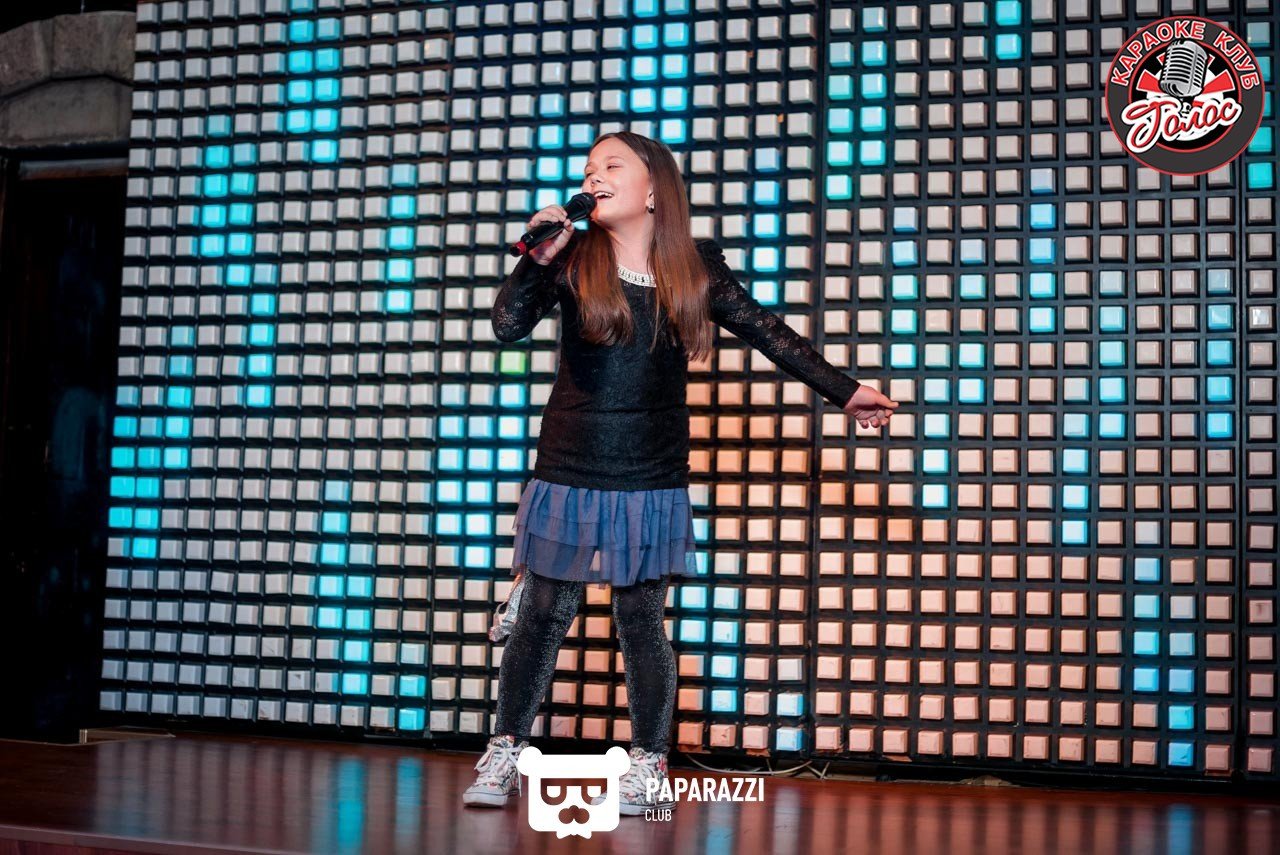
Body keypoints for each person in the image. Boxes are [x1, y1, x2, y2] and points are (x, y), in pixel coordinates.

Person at [463, 132, 899, 814]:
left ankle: (647, 763)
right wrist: (533, 260)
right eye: (588, 169)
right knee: (546, 614)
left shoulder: (694, 268)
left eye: (612, 165)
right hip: (571, 461)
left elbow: (768, 331)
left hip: (650, 470)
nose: (594, 177)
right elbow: (506, 325)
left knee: (641, 620)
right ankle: (506, 749)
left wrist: (844, 392)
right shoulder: (571, 255)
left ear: (653, 189)